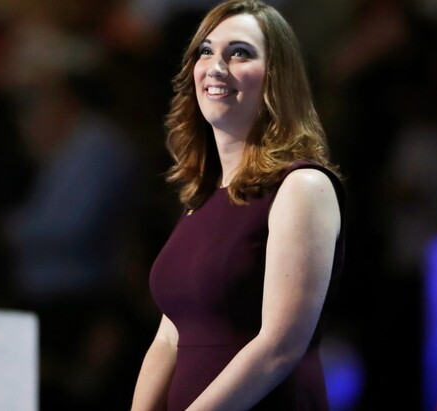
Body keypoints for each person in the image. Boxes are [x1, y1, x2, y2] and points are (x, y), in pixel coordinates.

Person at [131, 1, 345, 409]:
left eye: (240, 52)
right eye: (206, 51)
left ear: (276, 79)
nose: (215, 65)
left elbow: (279, 346)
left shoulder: (303, 187)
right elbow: (170, 335)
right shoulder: (204, 196)